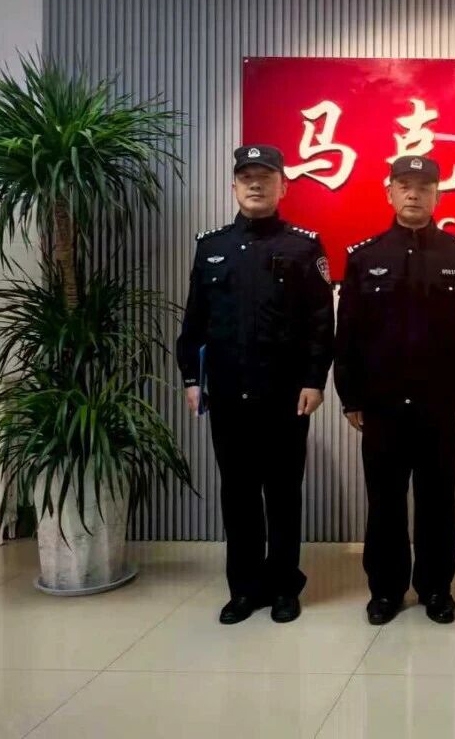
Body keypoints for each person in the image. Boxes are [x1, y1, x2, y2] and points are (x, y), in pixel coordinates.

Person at [176, 144, 334, 625]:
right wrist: (191, 378)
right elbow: (195, 320)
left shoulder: (304, 246)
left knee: (283, 495)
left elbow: (320, 322)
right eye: (247, 177)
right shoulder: (212, 246)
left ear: (283, 186)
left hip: (285, 396)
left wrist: (314, 380)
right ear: (234, 187)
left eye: (265, 177)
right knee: (238, 495)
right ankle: (243, 589)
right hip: (227, 394)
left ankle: (284, 586)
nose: (256, 184)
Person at [333, 156, 455, 627]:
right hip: (381, 402)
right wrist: (350, 396)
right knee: (385, 500)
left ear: (438, 194)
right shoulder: (365, 256)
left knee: (438, 499)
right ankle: (385, 589)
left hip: (440, 401)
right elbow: (348, 331)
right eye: (405, 185)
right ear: (390, 192)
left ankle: (437, 589)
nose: (414, 194)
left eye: (424, 186)